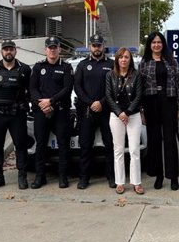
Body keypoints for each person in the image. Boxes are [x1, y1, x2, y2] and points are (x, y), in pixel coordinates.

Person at [139, 31, 179, 191]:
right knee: (154, 140)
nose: (156, 45)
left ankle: (173, 177)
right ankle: (158, 176)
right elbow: (139, 88)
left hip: (169, 102)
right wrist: (141, 111)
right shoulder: (144, 62)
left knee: (170, 140)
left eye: (159, 42)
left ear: (163, 44)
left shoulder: (172, 62)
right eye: (153, 42)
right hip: (150, 103)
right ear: (150, 45)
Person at [0, 40, 31, 190]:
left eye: (11, 49)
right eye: (5, 49)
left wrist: (24, 106)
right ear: (1, 52)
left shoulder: (24, 69)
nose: (8, 52)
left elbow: (31, 92)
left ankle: (22, 176)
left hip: (17, 115)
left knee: (20, 146)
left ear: (16, 51)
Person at [30, 37, 74, 189]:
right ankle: (39, 177)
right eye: (50, 47)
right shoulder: (38, 67)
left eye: (55, 47)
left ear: (59, 49)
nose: (52, 50)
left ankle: (63, 177)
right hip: (42, 111)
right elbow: (32, 88)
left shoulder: (66, 67)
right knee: (41, 145)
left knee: (63, 145)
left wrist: (51, 101)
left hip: (60, 111)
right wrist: (42, 104)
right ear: (45, 50)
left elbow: (67, 89)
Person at [74, 33, 115, 189]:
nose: (97, 48)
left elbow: (114, 88)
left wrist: (101, 102)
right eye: (94, 45)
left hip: (107, 111)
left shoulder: (111, 64)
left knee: (110, 145)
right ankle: (84, 178)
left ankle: (111, 177)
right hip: (87, 111)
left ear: (103, 46)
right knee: (85, 146)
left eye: (99, 45)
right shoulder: (82, 65)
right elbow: (77, 87)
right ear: (90, 46)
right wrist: (91, 103)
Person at [106, 47, 144, 195]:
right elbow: (108, 96)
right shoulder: (110, 75)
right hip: (116, 116)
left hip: (133, 116)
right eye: (121, 57)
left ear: (130, 59)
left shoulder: (137, 75)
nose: (123, 59)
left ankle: (136, 182)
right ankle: (120, 182)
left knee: (134, 150)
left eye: (126, 57)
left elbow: (139, 96)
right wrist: (119, 113)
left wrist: (127, 112)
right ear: (117, 59)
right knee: (118, 150)